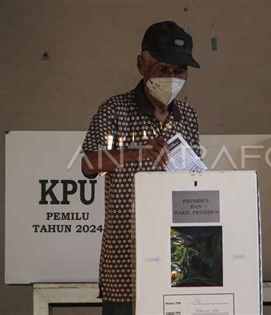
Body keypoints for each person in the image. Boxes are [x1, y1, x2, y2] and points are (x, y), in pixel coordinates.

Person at [80, 20, 201, 315]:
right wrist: (137, 152)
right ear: (141, 65)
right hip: (125, 257)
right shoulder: (114, 109)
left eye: (179, 71)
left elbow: (194, 177)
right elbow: (88, 164)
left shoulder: (187, 116)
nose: (172, 78)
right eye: (163, 69)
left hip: (177, 254)